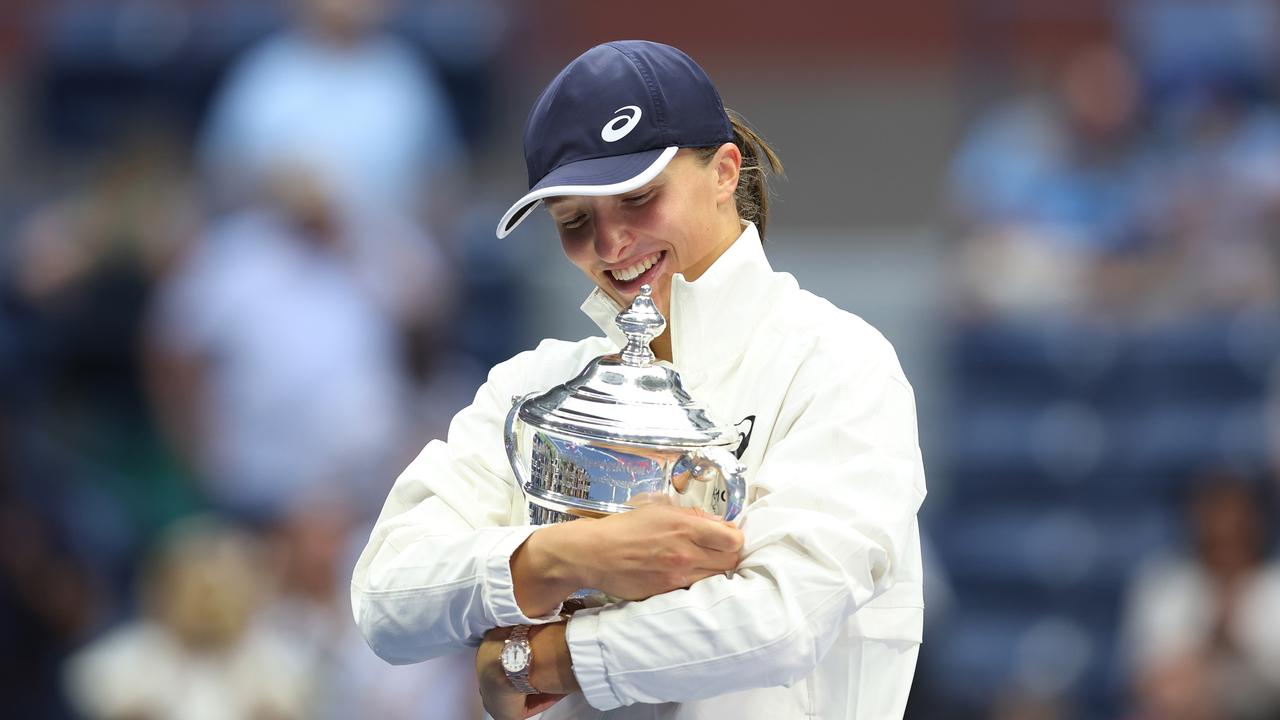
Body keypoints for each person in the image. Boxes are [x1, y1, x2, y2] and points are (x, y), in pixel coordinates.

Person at [351, 40, 927, 719]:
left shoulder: (837, 362)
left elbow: (779, 622)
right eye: (574, 221)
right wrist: (566, 556)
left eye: (638, 197)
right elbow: (385, 598)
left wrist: (543, 659)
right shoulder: (532, 386)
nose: (609, 244)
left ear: (724, 171)